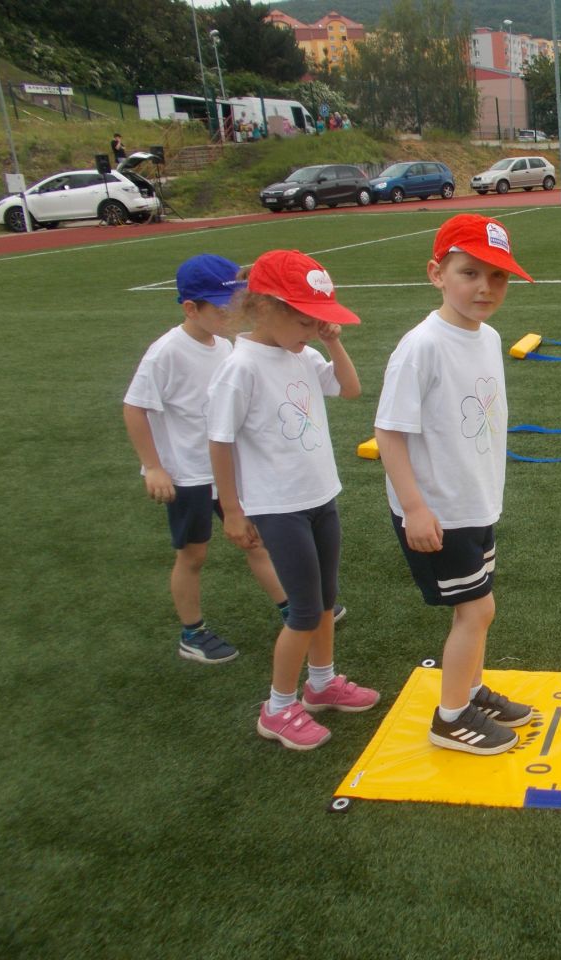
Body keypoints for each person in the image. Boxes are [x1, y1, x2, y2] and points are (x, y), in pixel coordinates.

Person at [375, 214, 535, 756]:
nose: (485, 287)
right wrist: (415, 509)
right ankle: (450, 718)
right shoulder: (421, 346)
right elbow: (389, 432)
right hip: (439, 508)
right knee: (477, 610)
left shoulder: (487, 337)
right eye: (469, 273)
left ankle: (470, 691)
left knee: (478, 607)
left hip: (475, 500)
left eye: (498, 276)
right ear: (436, 274)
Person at [207, 250, 377, 751]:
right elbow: (219, 441)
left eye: (317, 320)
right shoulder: (240, 368)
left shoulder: (302, 354)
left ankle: (321, 683)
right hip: (277, 506)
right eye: (304, 320)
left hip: (320, 496)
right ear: (263, 308)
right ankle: (278, 708)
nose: (311, 329)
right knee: (302, 611)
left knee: (324, 601)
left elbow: (350, 389)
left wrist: (331, 342)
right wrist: (232, 510)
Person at [123, 255, 288, 664]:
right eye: (221, 308)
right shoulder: (166, 352)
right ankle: (192, 633)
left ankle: (292, 608)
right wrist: (154, 466)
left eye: (235, 305)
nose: (231, 315)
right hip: (187, 475)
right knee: (193, 555)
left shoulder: (226, 346)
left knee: (255, 540)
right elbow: (134, 407)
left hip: (224, 472)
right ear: (190, 308)